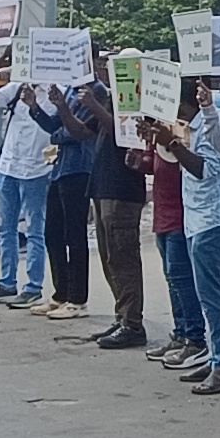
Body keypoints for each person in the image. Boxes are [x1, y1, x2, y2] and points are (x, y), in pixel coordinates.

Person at [138, 78, 220, 395]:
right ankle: (215, 358)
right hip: (197, 217)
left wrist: (173, 143)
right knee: (202, 293)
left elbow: (205, 169)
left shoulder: (213, 125)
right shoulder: (188, 128)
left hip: (214, 219)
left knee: (212, 296)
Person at [30, 54, 110, 322]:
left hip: (80, 168)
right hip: (60, 168)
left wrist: (60, 127)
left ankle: (78, 298)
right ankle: (60, 292)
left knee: (74, 234)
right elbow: (54, 123)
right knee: (52, 231)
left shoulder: (96, 91)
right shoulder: (71, 91)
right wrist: (35, 108)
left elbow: (81, 132)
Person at [84, 70, 152, 350]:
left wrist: (95, 106)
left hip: (122, 190)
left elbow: (125, 134)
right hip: (103, 186)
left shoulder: (140, 102)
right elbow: (80, 130)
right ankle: (122, 314)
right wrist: (63, 106)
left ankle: (132, 323)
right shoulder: (113, 100)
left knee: (123, 257)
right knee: (109, 257)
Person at [0, 64, 55, 306]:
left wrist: (34, 103)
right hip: (9, 166)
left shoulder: (56, 93)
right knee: (6, 228)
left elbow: (54, 126)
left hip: (37, 169)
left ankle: (33, 286)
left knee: (34, 229)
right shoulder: (15, 89)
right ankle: (7, 282)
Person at [144, 124, 206, 364]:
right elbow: (152, 167)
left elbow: (191, 166)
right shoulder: (160, 136)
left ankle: (194, 337)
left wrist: (170, 141)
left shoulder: (182, 136)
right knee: (173, 279)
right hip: (163, 213)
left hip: (180, 216)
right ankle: (181, 333)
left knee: (181, 280)